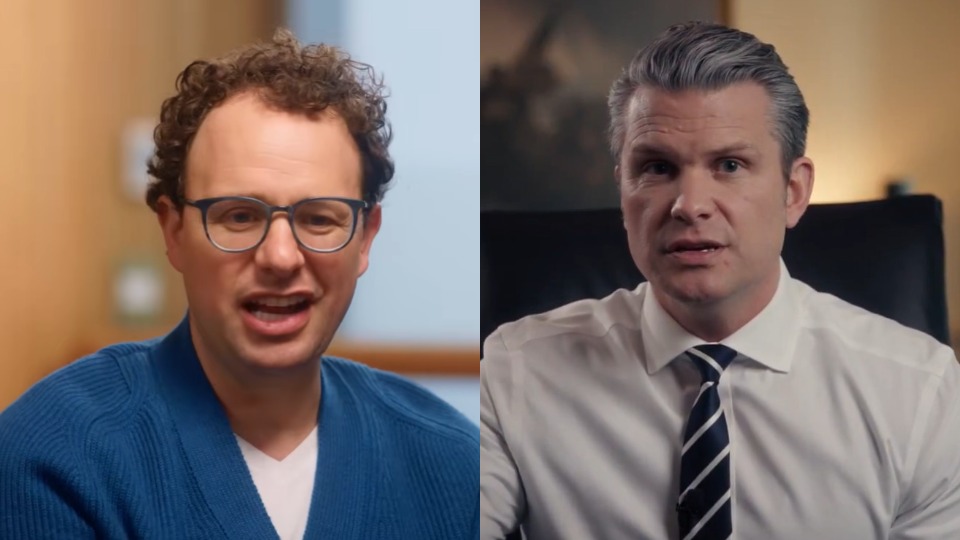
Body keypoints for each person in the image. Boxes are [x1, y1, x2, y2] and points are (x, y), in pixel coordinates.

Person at [480, 21, 960, 539]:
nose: (689, 205)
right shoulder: (517, 371)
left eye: (729, 164)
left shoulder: (920, 391)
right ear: (622, 189)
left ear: (794, 192)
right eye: (658, 167)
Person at [0, 29, 479, 540]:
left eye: (319, 219)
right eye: (238, 216)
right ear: (174, 230)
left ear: (365, 239)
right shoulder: (54, 455)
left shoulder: (454, 467)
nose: (279, 257)